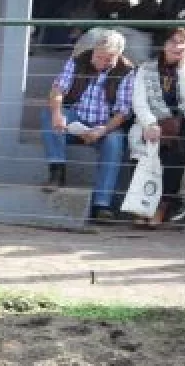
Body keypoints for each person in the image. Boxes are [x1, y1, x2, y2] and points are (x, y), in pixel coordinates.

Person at [43, 28, 133, 223]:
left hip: (104, 125)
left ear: (118, 55)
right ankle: (57, 170)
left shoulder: (126, 71)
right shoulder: (77, 61)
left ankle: (101, 204)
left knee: (115, 140)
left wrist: (103, 130)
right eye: (98, 57)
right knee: (50, 113)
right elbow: (57, 90)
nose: (101, 62)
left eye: (108, 59)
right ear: (93, 50)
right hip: (76, 119)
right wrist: (58, 114)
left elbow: (123, 112)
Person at [129, 21, 185, 224]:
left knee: (178, 147)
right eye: (173, 41)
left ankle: (162, 206)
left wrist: (182, 68)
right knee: (142, 142)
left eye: (183, 42)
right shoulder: (146, 68)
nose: (177, 46)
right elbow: (139, 101)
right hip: (153, 120)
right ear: (164, 44)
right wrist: (150, 123)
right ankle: (142, 204)